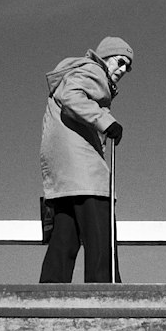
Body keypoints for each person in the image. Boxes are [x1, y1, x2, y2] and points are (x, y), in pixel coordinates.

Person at [38, 36, 133, 283]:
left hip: (65, 174)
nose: (123, 70)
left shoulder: (81, 73)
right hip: (84, 170)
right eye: (120, 62)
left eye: (127, 67)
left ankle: (49, 295)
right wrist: (106, 122)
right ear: (105, 57)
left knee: (65, 237)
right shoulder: (93, 71)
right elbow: (71, 95)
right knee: (100, 236)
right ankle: (105, 293)